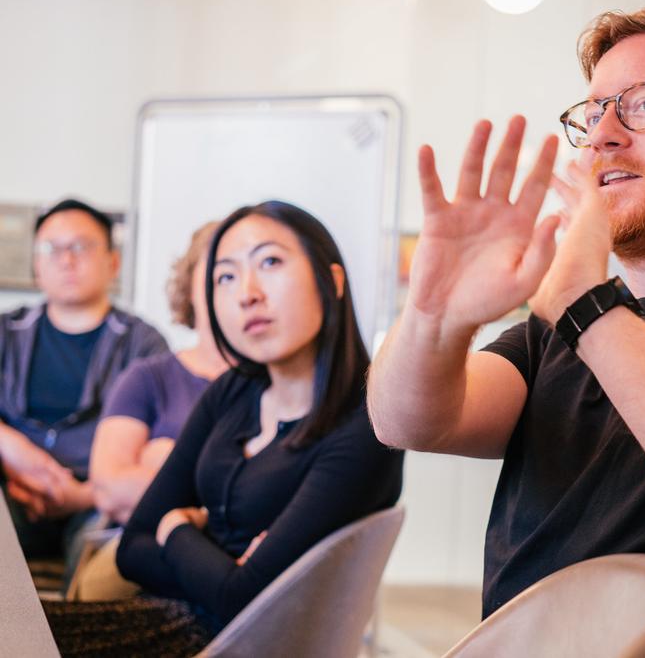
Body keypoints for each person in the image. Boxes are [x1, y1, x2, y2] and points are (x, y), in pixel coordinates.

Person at [367, 6, 645, 656]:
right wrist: (434, 313)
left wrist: (585, 306)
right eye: (593, 112)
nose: (601, 135)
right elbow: (407, 422)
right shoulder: (554, 333)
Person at [43, 200, 403, 656]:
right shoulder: (233, 392)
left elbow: (244, 600)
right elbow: (133, 548)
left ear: (330, 281)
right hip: (173, 616)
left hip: (241, 644)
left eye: (270, 262)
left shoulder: (366, 425)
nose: (246, 293)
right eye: (225, 277)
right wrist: (218, 566)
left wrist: (176, 528)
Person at [0, 198, 166, 577]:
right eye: (51, 248)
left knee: (115, 539)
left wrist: (86, 494)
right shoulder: (6, 332)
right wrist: (15, 451)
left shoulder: (144, 345)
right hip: (12, 489)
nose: (66, 259)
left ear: (113, 261)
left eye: (81, 246)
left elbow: (159, 450)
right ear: (36, 265)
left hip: (98, 499)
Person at [72, 221, 227, 600]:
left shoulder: (275, 386)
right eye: (221, 273)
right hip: (139, 547)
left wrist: (165, 462)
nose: (238, 289)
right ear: (189, 285)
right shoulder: (149, 377)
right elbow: (109, 487)